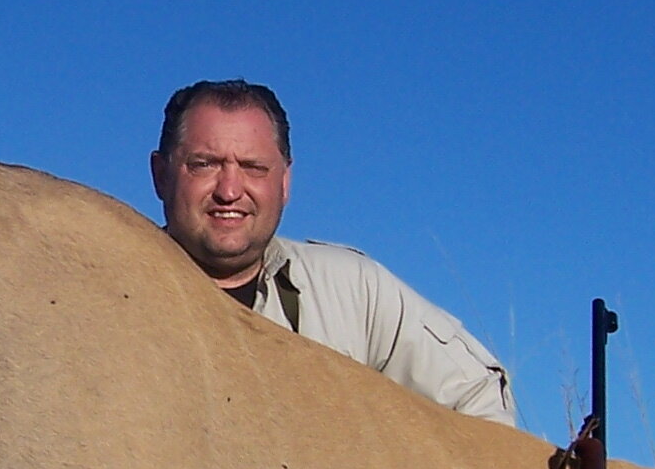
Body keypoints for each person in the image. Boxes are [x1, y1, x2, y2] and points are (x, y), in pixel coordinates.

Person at [150, 78, 517, 426]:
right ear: (161, 176)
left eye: (253, 168)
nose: (229, 190)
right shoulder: (110, 288)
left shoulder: (355, 291)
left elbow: (478, 397)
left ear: (284, 182)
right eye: (204, 165)